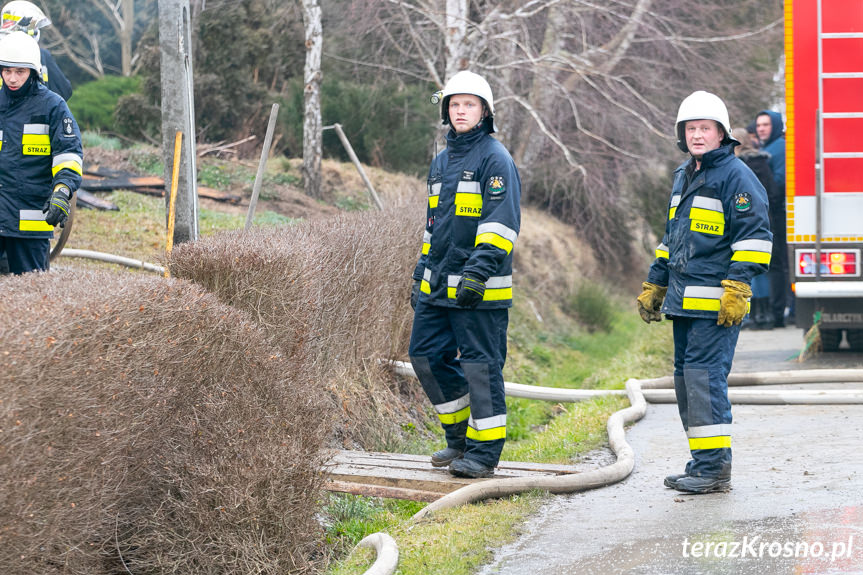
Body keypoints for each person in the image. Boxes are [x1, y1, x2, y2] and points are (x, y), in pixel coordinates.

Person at [637, 91, 772, 494]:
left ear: (721, 134)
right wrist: (656, 281)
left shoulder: (737, 177)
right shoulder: (685, 175)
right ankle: (703, 463)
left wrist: (738, 284)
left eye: (705, 129)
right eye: (690, 129)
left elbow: (756, 237)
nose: (697, 135)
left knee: (704, 381)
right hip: (683, 304)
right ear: (683, 134)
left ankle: (713, 469)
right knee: (687, 383)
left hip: (716, 306)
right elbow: (672, 239)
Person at [408, 70, 521, 479]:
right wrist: (421, 270)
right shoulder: (441, 163)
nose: (460, 111)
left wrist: (477, 273)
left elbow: (501, 224)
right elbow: (433, 227)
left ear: (485, 111)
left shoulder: (496, 158)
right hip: (438, 287)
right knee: (424, 355)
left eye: (469, 104)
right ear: (446, 111)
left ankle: (484, 453)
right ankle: (458, 440)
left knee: (481, 367)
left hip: (480, 290)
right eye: (454, 104)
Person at [0, 31, 82, 274]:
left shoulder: (53, 106)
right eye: (7, 70)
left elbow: (69, 155)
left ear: (33, 71)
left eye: (20, 72)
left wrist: (62, 191)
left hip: (31, 227)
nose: (12, 78)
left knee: (33, 300)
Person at [731, 126, 777, 330]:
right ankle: (766, 315)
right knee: (762, 270)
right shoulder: (763, 163)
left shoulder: (736, 167)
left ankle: (752, 314)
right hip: (764, 220)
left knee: (746, 268)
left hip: (742, 223)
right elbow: (773, 192)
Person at [755, 110, 788, 327]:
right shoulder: (765, 149)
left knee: (776, 265)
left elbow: (778, 181)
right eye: (758, 125)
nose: (761, 128)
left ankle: (776, 313)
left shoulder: (780, 148)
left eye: (766, 124)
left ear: (774, 126)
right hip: (767, 213)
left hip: (776, 214)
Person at [0, 1, 72, 101]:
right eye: (30, 26)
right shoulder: (41, 54)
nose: (33, 30)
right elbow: (64, 91)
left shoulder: (42, 54)